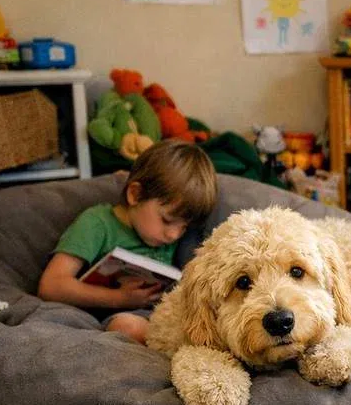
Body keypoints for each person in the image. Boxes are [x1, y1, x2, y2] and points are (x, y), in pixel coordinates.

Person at [38, 141, 218, 343]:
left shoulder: (179, 238)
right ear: (135, 194)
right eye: (167, 220)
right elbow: (51, 285)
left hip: (169, 314)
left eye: (184, 226)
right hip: (121, 315)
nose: (174, 235)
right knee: (127, 327)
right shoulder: (97, 223)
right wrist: (119, 299)